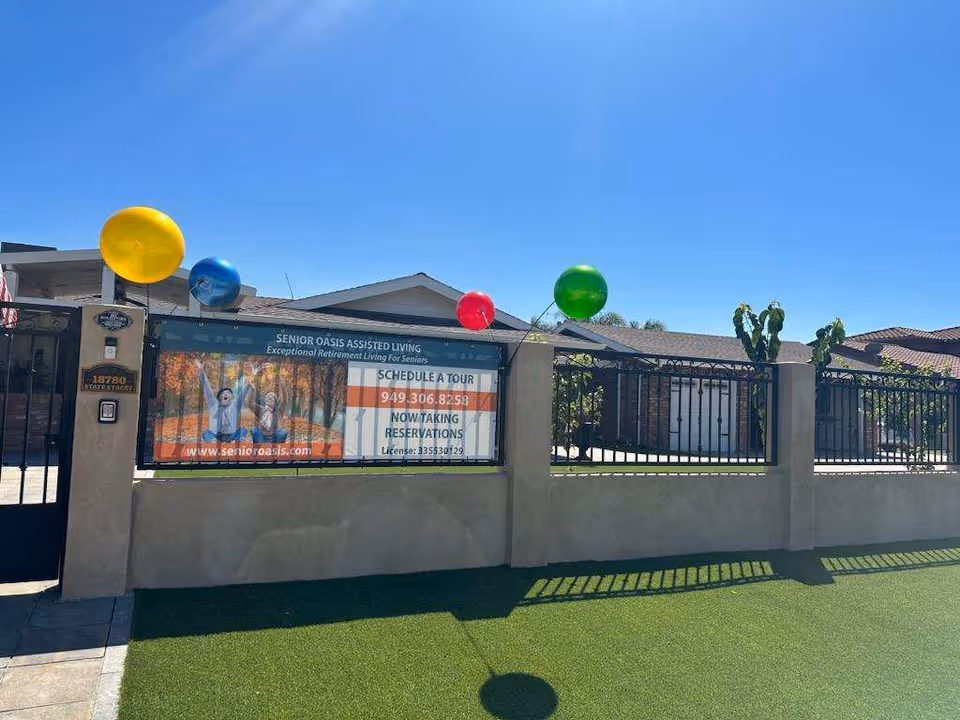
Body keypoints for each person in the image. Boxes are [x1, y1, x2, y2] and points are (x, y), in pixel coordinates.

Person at [196, 359, 257, 442]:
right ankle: (214, 442)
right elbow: (207, 389)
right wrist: (201, 371)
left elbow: (243, 394)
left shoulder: (234, 406)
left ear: (232, 398)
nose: (226, 394)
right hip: (216, 435)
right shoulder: (213, 405)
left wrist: (250, 381)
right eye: (223, 393)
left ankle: (237, 441)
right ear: (219, 397)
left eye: (228, 393)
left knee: (243, 430)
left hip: (231, 435)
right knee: (206, 432)